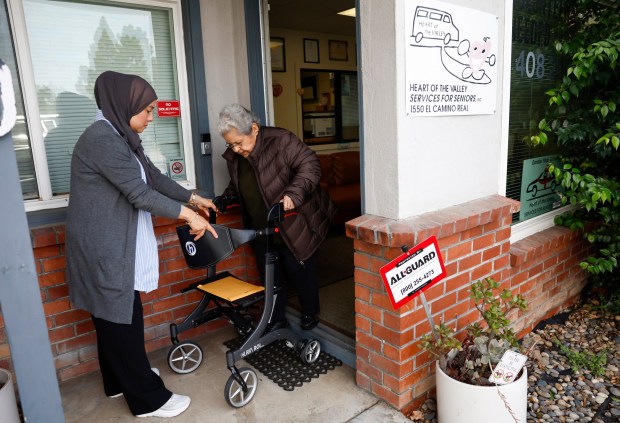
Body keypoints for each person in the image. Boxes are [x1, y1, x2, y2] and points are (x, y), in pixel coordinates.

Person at [65, 71, 218, 418]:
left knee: (111, 315)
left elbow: (154, 179)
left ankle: (116, 381)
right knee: (122, 317)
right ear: (126, 104)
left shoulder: (121, 137)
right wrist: (190, 217)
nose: (152, 117)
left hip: (110, 242)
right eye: (148, 110)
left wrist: (194, 199)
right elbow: (140, 194)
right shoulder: (102, 139)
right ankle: (148, 399)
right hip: (103, 246)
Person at [216, 103, 336, 331]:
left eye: (238, 143)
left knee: (299, 270)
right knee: (271, 277)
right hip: (262, 228)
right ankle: (276, 318)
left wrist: (293, 194)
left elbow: (310, 165)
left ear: (254, 128)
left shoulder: (281, 141)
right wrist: (226, 198)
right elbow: (240, 184)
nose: (235, 149)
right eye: (230, 144)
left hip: (294, 222)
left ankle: (310, 312)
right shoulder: (237, 156)